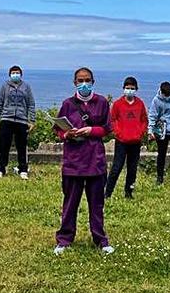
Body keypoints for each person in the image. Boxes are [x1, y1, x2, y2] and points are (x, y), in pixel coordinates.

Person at [53, 67, 114, 256]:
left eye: (87, 80)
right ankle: (64, 239)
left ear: (93, 81)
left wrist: (91, 131)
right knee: (70, 203)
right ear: (74, 83)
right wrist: (67, 134)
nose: (84, 84)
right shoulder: (67, 104)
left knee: (96, 204)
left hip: (95, 161)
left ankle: (100, 239)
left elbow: (107, 128)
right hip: (73, 162)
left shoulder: (102, 102)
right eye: (80, 80)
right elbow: (58, 130)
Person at [106, 76, 148, 198]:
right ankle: (107, 193)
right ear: (123, 88)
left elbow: (144, 120)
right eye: (127, 88)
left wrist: (141, 132)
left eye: (132, 88)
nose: (130, 90)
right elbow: (112, 120)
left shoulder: (140, 103)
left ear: (136, 89)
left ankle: (129, 192)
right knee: (116, 167)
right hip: (121, 141)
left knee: (132, 169)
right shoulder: (118, 104)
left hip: (135, 141)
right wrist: (118, 133)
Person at [0, 65, 36, 180]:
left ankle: (23, 169)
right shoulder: (5, 86)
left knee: (22, 146)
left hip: (22, 120)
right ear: (9, 74)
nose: (15, 74)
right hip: (6, 119)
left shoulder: (26, 87)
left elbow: (31, 104)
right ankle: (0, 168)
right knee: (3, 146)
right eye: (13, 72)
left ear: (21, 74)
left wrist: (32, 120)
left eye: (17, 72)